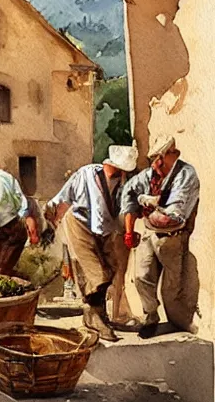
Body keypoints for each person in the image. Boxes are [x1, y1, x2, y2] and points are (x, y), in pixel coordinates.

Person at [44, 145, 137, 341]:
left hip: (104, 230)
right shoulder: (86, 174)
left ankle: (97, 315)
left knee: (111, 269)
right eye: (120, 170)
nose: (122, 174)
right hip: (80, 224)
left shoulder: (123, 183)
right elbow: (64, 198)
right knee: (97, 273)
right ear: (109, 165)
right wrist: (50, 223)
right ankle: (95, 319)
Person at [122, 135, 201, 339]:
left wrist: (149, 203)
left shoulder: (186, 175)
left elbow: (173, 217)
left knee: (171, 286)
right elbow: (129, 191)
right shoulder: (149, 175)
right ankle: (150, 317)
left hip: (173, 238)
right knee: (141, 276)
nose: (156, 164)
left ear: (174, 155)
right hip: (149, 233)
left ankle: (177, 322)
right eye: (154, 159)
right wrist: (130, 228)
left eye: (161, 158)